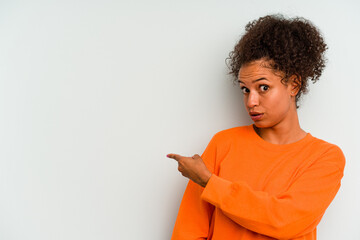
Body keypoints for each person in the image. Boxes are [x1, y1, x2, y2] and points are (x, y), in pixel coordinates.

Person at [166, 14, 345, 240]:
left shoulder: (325, 157)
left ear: (294, 84)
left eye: (263, 87)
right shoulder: (224, 144)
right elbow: (188, 231)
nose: (251, 101)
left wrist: (209, 182)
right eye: (245, 89)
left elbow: (285, 221)